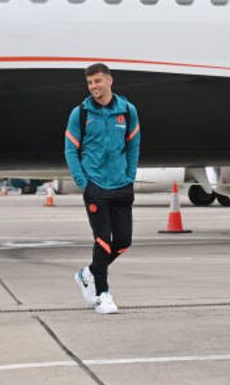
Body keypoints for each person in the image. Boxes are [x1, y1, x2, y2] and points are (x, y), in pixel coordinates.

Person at [65, 63, 141, 314]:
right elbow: (70, 149)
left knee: (123, 240)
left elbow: (133, 147)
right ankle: (102, 294)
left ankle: (88, 273)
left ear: (110, 80)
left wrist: (130, 176)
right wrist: (83, 183)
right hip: (95, 185)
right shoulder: (81, 113)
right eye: (90, 83)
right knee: (103, 240)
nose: (94, 87)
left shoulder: (127, 111)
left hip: (121, 185)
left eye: (98, 81)